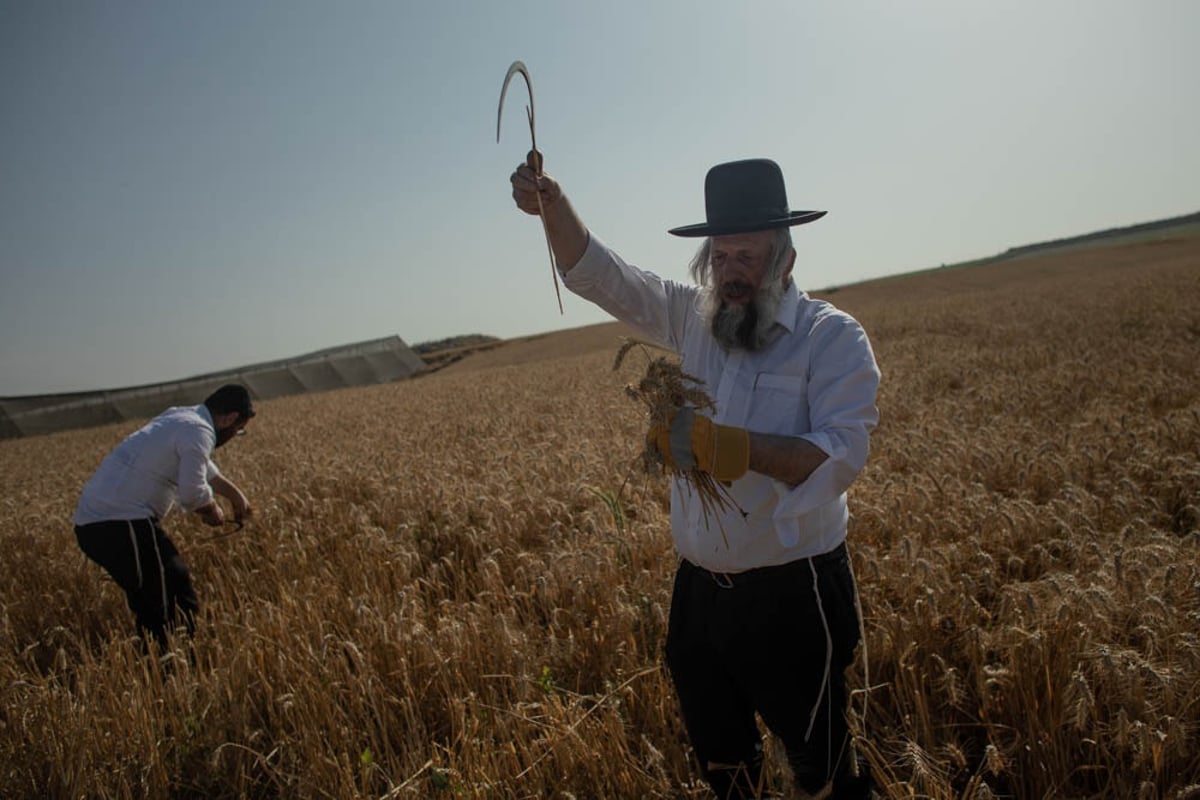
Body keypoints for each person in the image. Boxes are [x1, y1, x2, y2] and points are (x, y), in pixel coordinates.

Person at [510, 157, 880, 799]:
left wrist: (729, 448)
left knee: (822, 773)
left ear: (787, 260)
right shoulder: (693, 319)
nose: (731, 271)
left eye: (749, 256)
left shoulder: (831, 339)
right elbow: (606, 276)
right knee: (727, 772)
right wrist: (554, 206)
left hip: (794, 596)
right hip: (699, 597)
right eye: (722, 255)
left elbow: (842, 455)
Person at [73, 383, 256, 652]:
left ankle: (166, 661)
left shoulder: (181, 417)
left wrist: (236, 496)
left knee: (165, 588)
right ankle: (170, 666)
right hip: (118, 523)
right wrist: (212, 511)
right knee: (165, 597)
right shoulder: (199, 430)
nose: (234, 435)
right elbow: (193, 493)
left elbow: (201, 465)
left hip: (108, 521)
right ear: (229, 418)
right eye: (238, 429)